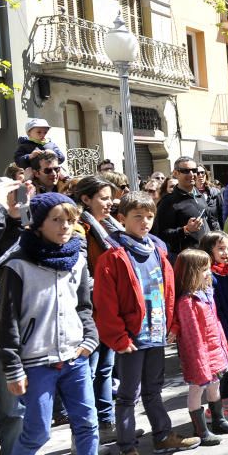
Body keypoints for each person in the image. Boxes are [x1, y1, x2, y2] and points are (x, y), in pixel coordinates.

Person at [0, 193, 122, 455]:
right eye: (56, 219)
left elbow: (83, 306)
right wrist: (13, 367)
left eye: (69, 219)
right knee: (37, 430)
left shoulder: (77, 259)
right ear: (38, 224)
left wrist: (89, 339)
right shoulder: (18, 265)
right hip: (36, 362)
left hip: (75, 357)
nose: (65, 226)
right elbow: (7, 320)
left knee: (87, 423)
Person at [93, 192, 200, 455]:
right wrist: (118, 338)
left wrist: (172, 325)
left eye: (149, 216)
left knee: (154, 389)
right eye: (137, 216)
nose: (144, 222)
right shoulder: (113, 257)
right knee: (128, 395)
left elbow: (168, 293)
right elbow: (105, 305)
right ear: (122, 219)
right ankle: (127, 450)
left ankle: (163, 436)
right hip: (130, 339)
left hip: (155, 333)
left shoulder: (157, 251)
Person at [170, 249, 228, 446]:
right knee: (196, 390)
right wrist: (200, 361)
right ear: (191, 272)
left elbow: (215, 323)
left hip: (214, 351)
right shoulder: (187, 302)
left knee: (215, 385)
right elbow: (192, 337)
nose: (209, 272)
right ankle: (200, 430)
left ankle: (218, 420)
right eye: (204, 269)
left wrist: (223, 345)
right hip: (199, 356)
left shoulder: (206, 294)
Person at [74, 177, 124, 441]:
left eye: (110, 197)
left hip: (107, 306)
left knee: (105, 367)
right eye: (103, 198)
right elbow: (80, 274)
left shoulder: (110, 227)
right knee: (89, 370)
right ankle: (83, 432)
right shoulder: (79, 227)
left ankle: (106, 423)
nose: (110, 203)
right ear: (85, 199)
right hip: (89, 308)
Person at [198, 231, 228, 420]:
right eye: (220, 248)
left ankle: (225, 398)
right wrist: (226, 334)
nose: (226, 252)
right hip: (220, 328)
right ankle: (214, 407)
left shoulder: (227, 271)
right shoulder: (209, 275)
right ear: (208, 251)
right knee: (222, 367)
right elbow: (215, 308)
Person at [152, 157, 220, 260]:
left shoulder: (200, 196)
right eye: (186, 171)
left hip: (206, 255)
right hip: (185, 260)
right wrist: (185, 230)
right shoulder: (168, 201)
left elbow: (209, 223)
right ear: (176, 173)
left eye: (194, 170)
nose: (192, 174)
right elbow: (160, 235)